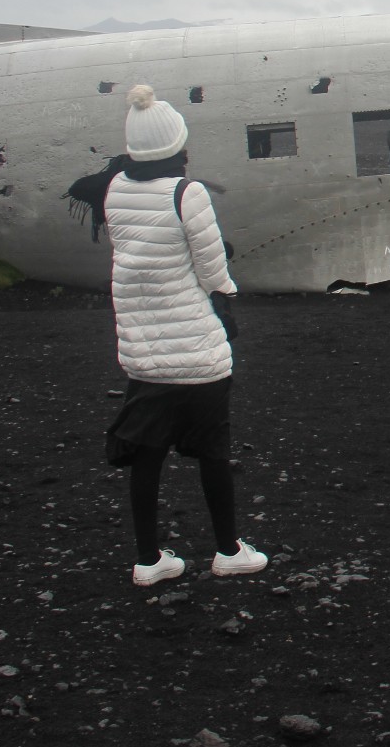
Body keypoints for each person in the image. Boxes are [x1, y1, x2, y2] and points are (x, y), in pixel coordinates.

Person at [89, 84, 266, 586]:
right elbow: (212, 267)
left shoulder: (115, 188)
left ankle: (149, 561)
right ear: (177, 146)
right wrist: (227, 295)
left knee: (148, 457)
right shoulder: (186, 192)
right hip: (197, 351)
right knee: (213, 451)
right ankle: (228, 551)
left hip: (144, 352)